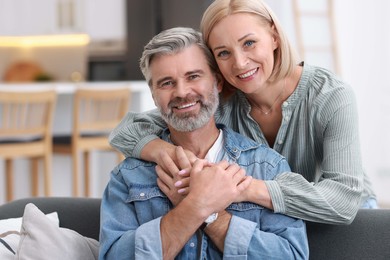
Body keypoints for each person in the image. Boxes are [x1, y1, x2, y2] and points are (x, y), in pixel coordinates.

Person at [109, 0, 377, 224]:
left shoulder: (331, 96)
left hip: (345, 225)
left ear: (273, 36)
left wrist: (242, 188)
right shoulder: (222, 102)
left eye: (249, 43)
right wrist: (166, 153)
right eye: (224, 53)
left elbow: (343, 201)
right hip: (279, 221)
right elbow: (126, 130)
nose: (239, 62)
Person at [99, 27, 308, 260]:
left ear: (217, 82)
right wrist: (195, 207)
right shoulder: (127, 177)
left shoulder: (267, 167)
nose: (182, 92)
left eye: (193, 76)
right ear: (153, 94)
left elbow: (291, 256)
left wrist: (212, 215)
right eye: (166, 83)